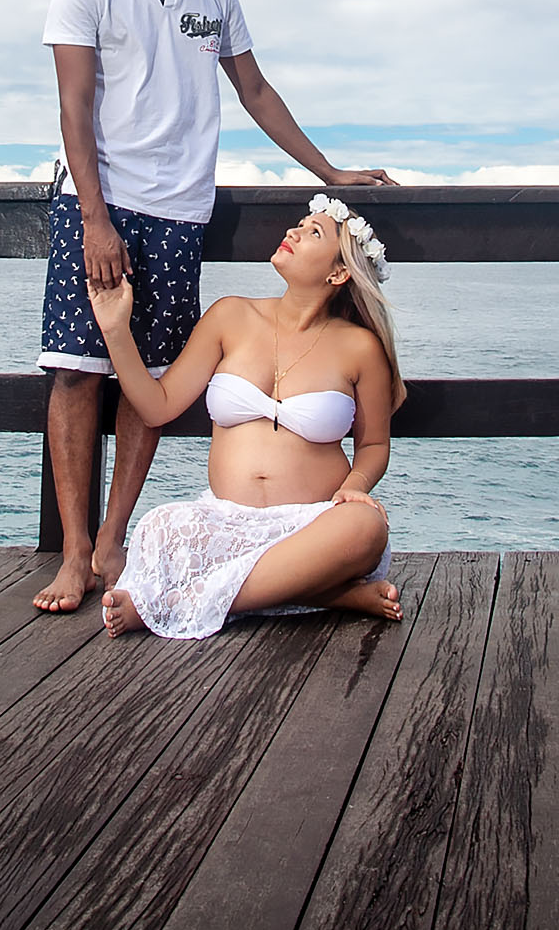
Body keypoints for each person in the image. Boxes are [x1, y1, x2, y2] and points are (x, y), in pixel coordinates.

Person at [34, 0, 398, 614]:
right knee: (76, 370)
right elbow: (74, 105)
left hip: (179, 209)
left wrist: (329, 172)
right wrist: (95, 219)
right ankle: (71, 555)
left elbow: (256, 91)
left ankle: (113, 539)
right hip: (97, 202)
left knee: (154, 378)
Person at [87, 195, 406, 638]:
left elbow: (373, 445)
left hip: (310, 526)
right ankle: (327, 594)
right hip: (225, 523)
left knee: (367, 527)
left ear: (339, 272)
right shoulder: (230, 315)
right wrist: (116, 330)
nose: (293, 231)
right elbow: (157, 406)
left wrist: (353, 489)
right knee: (161, 527)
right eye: (299, 223)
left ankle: (179, 601)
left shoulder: (360, 348)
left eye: (314, 232)